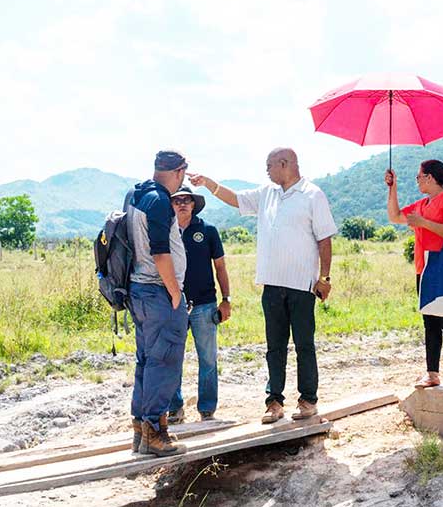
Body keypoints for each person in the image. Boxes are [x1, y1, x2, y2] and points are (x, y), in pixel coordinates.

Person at [189, 148, 337, 424]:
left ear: (284, 164)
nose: (266, 171)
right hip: (272, 285)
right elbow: (235, 199)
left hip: (302, 285)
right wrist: (209, 184)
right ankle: (274, 401)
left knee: (304, 344)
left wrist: (324, 278)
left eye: (269, 165)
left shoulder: (312, 195)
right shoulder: (268, 192)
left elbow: (324, 239)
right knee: (274, 346)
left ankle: (308, 400)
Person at [385, 160, 443, 390]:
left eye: (419, 177)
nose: (418, 181)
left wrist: (423, 223)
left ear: (430, 177)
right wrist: (393, 188)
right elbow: (395, 216)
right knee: (430, 322)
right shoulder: (422, 204)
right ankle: (432, 373)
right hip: (424, 268)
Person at [127, 150, 190, 457]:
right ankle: (155, 432)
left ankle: (141, 431)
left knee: (147, 361)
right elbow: (160, 253)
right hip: (158, 291)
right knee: (164, 362)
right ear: (178, 172)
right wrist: (175, 292)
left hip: (138, 290)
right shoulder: (160, 201)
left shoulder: (136, 194)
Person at [166, 186, 231, 424]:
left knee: (208, 359)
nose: (182, 203)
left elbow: (221, 268)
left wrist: (226, 300)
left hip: (205, 305)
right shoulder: (165, 232)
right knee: (173, 358)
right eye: (177, 200)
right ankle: (174, 409)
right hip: (174, 304)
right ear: (171, 205)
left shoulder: (208, 231)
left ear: (194, 204)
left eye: (187, 200)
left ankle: (207, 409)